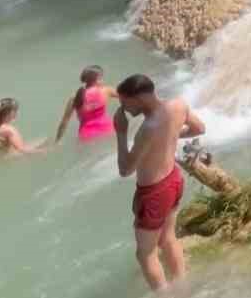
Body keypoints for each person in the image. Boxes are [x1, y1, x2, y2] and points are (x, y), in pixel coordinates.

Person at [114, 74, 206, 291]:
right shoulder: (178, 106)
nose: (124, 109)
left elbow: (125, 169)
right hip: (173, 180)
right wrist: (171, 135)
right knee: (168, 238)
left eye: (124, 103)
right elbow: (199, 129)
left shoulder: (147, 129)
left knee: (145, 254)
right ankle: (183, 290)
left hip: (154, 192)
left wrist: (120, 132)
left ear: (137, 98)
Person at [55, 65, 117, 144]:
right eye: (102, 78)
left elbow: (64, 122)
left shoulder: (75, 98)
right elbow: (127, 97)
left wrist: (57, 141)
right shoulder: (106, 91)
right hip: (108, 131)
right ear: (98, 79)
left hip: (87, 136)